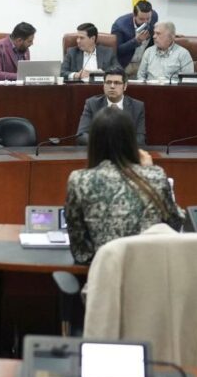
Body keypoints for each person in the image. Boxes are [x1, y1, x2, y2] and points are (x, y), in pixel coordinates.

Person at [65, 106, 184, 264]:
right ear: (131, 141)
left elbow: (80, 251)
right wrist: (149, 171)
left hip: (105, 278)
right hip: (151, 277)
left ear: (94, 142)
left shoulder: (79, 180)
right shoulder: (155, 175)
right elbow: (175, 225)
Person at [76, 68, 146, 146]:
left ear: (125, 86)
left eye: (117, 83)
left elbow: (140, 139)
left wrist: (117, 147)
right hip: (100, 152)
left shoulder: (137, 106)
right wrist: (106, 146)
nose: (112, 86)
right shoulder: (92, 104)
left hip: (125, 154)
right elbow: (82, 135)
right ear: (103, 85)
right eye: (108, 82)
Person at [111, 0, 158, 77]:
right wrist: (136, 41)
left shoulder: (154, 16)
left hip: (145, 64)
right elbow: (117, 50)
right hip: (125, 64)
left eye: (148, 19)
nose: (145, 22)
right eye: (142, 19)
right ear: (134, 15)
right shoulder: (120, 25)